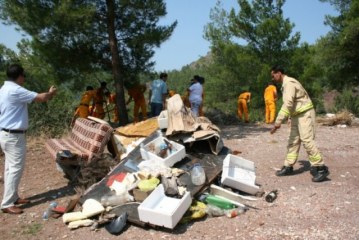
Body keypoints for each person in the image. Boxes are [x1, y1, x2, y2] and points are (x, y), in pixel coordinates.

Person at [0, 64, 57, 214]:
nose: (24, 78)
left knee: (9, 169)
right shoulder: (15, 89)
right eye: (24, 75)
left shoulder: (4, 89)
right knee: (15, 169)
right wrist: (51, 93)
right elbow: (41, 98)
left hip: (6, 134)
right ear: (19, 76)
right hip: (14, 136)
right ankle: (7, 203)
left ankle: (13, 197)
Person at [270, 65, 329, 182]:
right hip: (297, 116)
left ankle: (321, 168)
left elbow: (288, 103)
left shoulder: (289, 83)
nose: (272, 79)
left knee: (307, 141)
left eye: (273, 76)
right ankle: (288, 166)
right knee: (293, 141)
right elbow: (294, 104)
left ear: (279, 73)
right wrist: (290, 117)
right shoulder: (285, 84)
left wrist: (278, 121)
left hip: (305, 114)